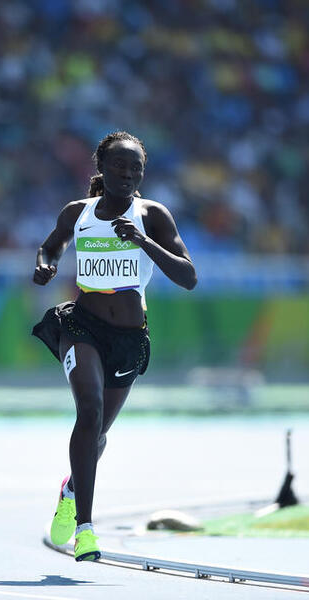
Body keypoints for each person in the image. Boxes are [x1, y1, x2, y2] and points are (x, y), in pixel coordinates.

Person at [31, 131, 197, 561]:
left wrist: (143, 241)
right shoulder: (78, 212)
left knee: (98, 433)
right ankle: (86, 528)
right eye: (120, 166)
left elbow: (188, 277)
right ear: (101, 168)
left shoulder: (152, 215)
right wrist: (46, 266)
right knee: (89, 411)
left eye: (136, 168)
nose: (128, 173)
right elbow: (51, 247)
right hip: (81, 325)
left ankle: (70, 490)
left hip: (128, 337)